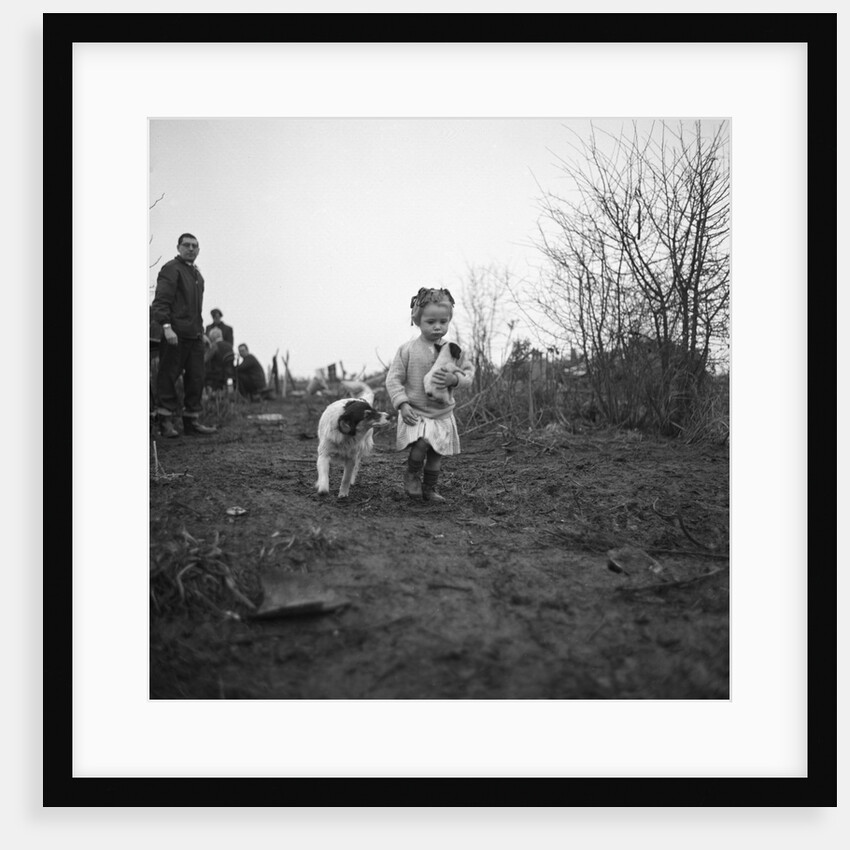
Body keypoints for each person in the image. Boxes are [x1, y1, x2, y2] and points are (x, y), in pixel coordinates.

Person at [385, 287, 474, 502]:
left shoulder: (454, 351)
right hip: (415, 411)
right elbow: (393, 379)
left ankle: (429, 488)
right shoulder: (407, 350)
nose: (437, 326)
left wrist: (455, 380)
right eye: (431, 321)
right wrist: (402, 404)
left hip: (441, 413)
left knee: (436, 454)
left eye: (443, 322)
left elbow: (468, 374)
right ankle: (412, 475)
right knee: (423, 442)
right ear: (418, 320)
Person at [149, 233, 217, 437]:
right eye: (186, 245)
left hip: (194, 335)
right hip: (175, 334)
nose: (191, 249)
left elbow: (196, 310)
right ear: (178, 247)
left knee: (197, 377)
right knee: (168, 376)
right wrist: (167, 327)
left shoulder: (197, 275)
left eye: (195, 246)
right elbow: (161, 301)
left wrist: (202, 332)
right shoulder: (171, 269)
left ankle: (191, 421)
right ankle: (165, 423)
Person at [204, 326, 235, 392]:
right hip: (230, 372)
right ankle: (230, 395)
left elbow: (205, 359)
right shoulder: (229, 346)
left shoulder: (214, 346)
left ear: (212, 337)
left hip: (216, 373)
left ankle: (209, 395)